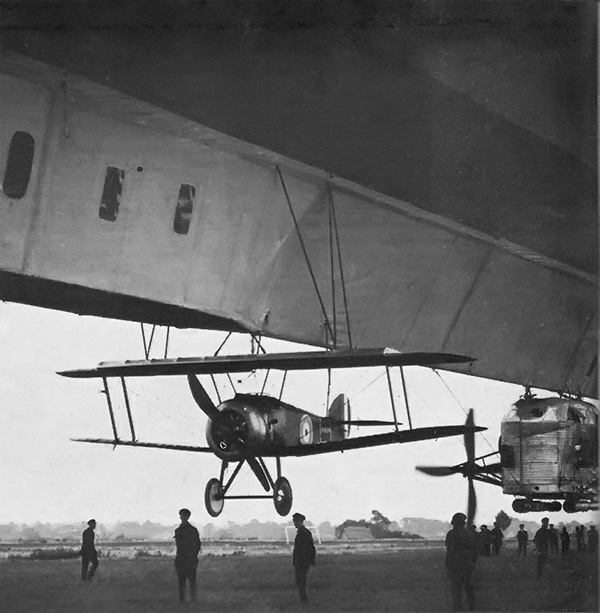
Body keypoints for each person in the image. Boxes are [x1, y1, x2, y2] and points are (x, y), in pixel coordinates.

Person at [445, 513, 478, 611]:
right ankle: (471, 606)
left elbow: (449, 550)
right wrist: (473, 563)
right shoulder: (468, 534)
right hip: (466, 564)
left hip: (456, 564)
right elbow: (474, 550)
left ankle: (458, 607)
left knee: (457, 588)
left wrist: (448, 564)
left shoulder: (451, 533)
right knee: (468, 587)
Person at [174, 508, 201, 603]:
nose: (183, 517)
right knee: (182, 582)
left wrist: (192, 555)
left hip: (189, 559)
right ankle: (183, 601)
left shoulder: (192, 530)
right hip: (182, 559)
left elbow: (197, 545)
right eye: (182, 516)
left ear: (188, 517)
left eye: (184, 516)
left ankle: (192, 600)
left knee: (191, 581)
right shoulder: (179, 530)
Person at [292, 512, 316, 604]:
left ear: (300, 521)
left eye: (295, 521)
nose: (294, 523)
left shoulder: (303, 533)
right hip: (301, 561)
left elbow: (309, 548)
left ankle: (304, 600)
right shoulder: (302, 532)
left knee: (301, 581)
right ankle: (303, 599)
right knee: (300, 581)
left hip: (302, 562)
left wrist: (308, 560)